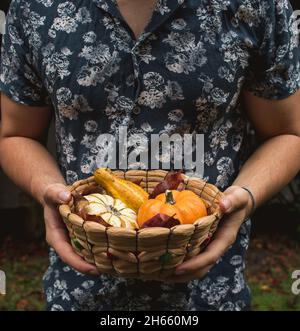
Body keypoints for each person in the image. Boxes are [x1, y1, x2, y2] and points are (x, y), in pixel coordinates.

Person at [0, 0, 299, 311]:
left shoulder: (256, 6)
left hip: (209, 295)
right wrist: (47, 190)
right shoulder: (37, 8)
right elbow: (15, 134)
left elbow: (288, 133)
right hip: (81, 290)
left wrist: (245, 197)